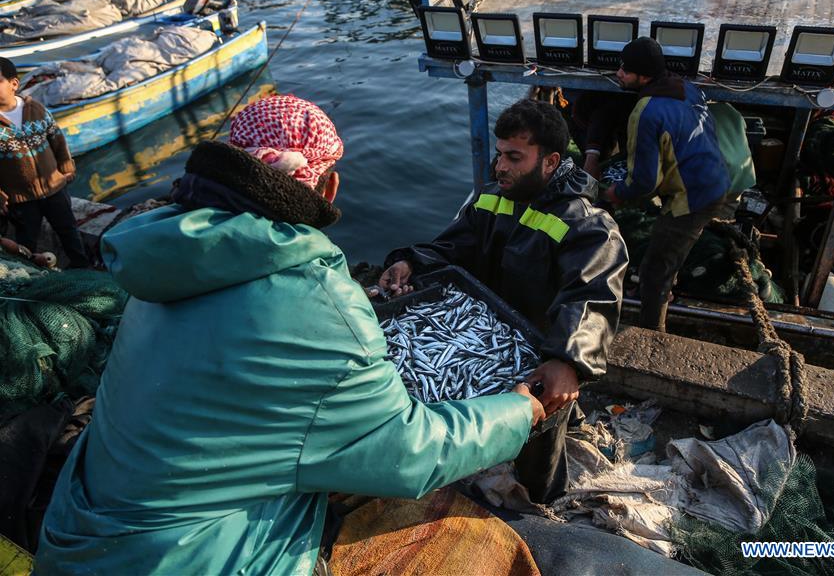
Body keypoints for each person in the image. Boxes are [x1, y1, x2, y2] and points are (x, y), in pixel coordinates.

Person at [34, 95, 545, 576]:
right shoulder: (317, 300)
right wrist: (515, 412)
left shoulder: (165, 254)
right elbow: (406, 453)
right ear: (328, 189)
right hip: (189, 560)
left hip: (78, 533)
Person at [379, 99, 628, 503]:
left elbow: (593, 297)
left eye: (514, 157)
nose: (500, 167)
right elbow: (451, 248)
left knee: (538, 444)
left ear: (550, 162)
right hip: (480, 339)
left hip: (540, 357)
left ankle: (538, 500)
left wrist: (567, 361)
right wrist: (409, 262)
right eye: (499, 155)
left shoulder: (588, 226)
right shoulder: (492, 199)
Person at [601, 37, 730, 332]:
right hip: (717, 179)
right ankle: (663, 285)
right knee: (669, 252)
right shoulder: (688, 88)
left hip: (692, 197)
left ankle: (652, 333)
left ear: (644, 77)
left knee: (655, 270)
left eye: (626, 70)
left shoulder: (645, 112)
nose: (618, 73)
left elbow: (644, 183)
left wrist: (615, 192)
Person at [0, 56, 89, 268]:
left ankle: (82, 266)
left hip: (54, 188)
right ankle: (29, 274)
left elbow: (57, 139)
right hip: (21, 198)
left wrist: (66, 167)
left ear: (14, 84)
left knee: (68, 230)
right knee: (26, 242)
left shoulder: (37, 110)